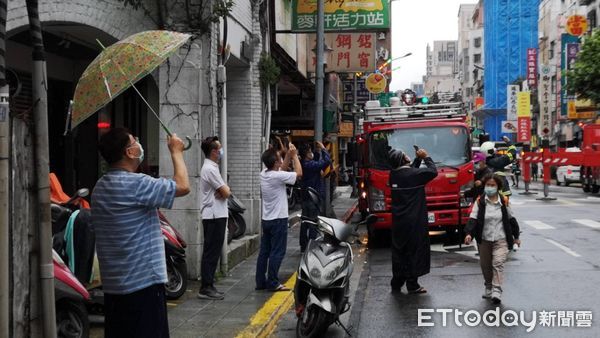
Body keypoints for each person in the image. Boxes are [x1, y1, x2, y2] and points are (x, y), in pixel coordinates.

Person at [92, 128, 190, 338]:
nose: (139, 144)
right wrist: (176, 152)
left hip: (114, 286)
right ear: (130, 152)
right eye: (134, 141)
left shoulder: (100, 187)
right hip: (143, 285)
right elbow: (182, 185)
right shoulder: (136, 184)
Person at [464, 174, 521, 304]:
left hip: (501, 239)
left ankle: (497, 290)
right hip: (484, 239)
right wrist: (469, 234)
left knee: (498, 263)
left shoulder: (504, 201)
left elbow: (511, 219)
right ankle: (488, 286)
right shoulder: (480, 201)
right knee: (485, 265)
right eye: (487, 185)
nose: (489, 188)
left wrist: (516, 237)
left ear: (498, 187)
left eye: (492, 185)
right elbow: (473, 219)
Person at [388, 147, 438, 294]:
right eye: (405, 155)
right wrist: (426, 157)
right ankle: (412, 284)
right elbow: (432, 171)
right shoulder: (413, 175)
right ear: (403, 160)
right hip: (415, 219)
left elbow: (410, 173)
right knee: (414, 250)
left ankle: (396, 283)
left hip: (399, 221)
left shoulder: (394, 175)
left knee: (400, 251)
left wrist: (416, 160)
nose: (408, 155)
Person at [256, 145, 302, 291]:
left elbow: (281, 168)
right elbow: (299, 173)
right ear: (275, 162)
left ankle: (260, 282)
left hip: (267, 219)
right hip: (278, 220)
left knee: (264, 252)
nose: (281, 159)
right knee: (278, 251)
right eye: (279, 158)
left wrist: (288, 155)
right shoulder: (277, 176)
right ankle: (273, 282)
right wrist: (294, 156)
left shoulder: (264, 173)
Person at [198, 136, 231, 300]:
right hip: (213, 215)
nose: (221, 151)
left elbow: (224, 191)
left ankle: (209, 284)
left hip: (216, 214)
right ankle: (206, 286)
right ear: (213, 151)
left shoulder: (213, 168)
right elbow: (226, 192)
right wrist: (224, 190)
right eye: (219, 148)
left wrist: (224, 190)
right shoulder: (210, 169)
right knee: (211, 252)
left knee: (213, 251)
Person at [298, 141, 331, 252]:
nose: (311, 153)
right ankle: (311, 245)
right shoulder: (309, 165)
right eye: (310, 152)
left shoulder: (303, 163)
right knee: (312, 222)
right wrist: (323, 149)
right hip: (312, 198)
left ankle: (303, 245)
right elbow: (326, 162)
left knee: (305, 222)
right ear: (306, 154)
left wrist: (317, 152)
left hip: (305, 197)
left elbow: (317, 162)